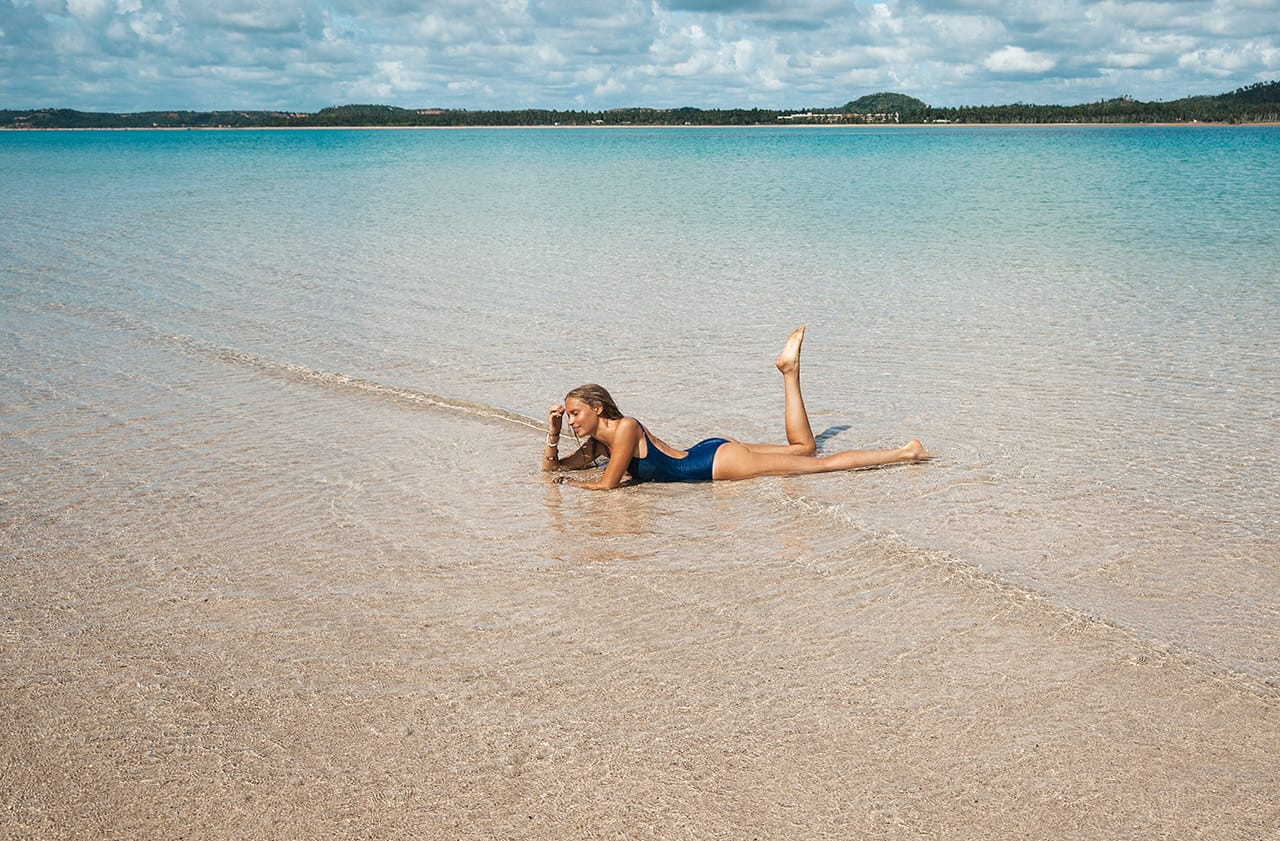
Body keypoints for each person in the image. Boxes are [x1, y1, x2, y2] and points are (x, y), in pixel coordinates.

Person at [542, 327, 929, 490]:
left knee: (818, 466)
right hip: (711, 453)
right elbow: (552, 468)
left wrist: (573, 484)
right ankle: (789, 372)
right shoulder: (600, 446)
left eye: (575, 413)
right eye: (569, 415)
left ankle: (905, 452)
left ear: (597, 408)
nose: (572, 419)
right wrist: (555, 433)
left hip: (716, 464)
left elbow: (608, 486)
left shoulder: (623, 429)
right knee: (805, 450)